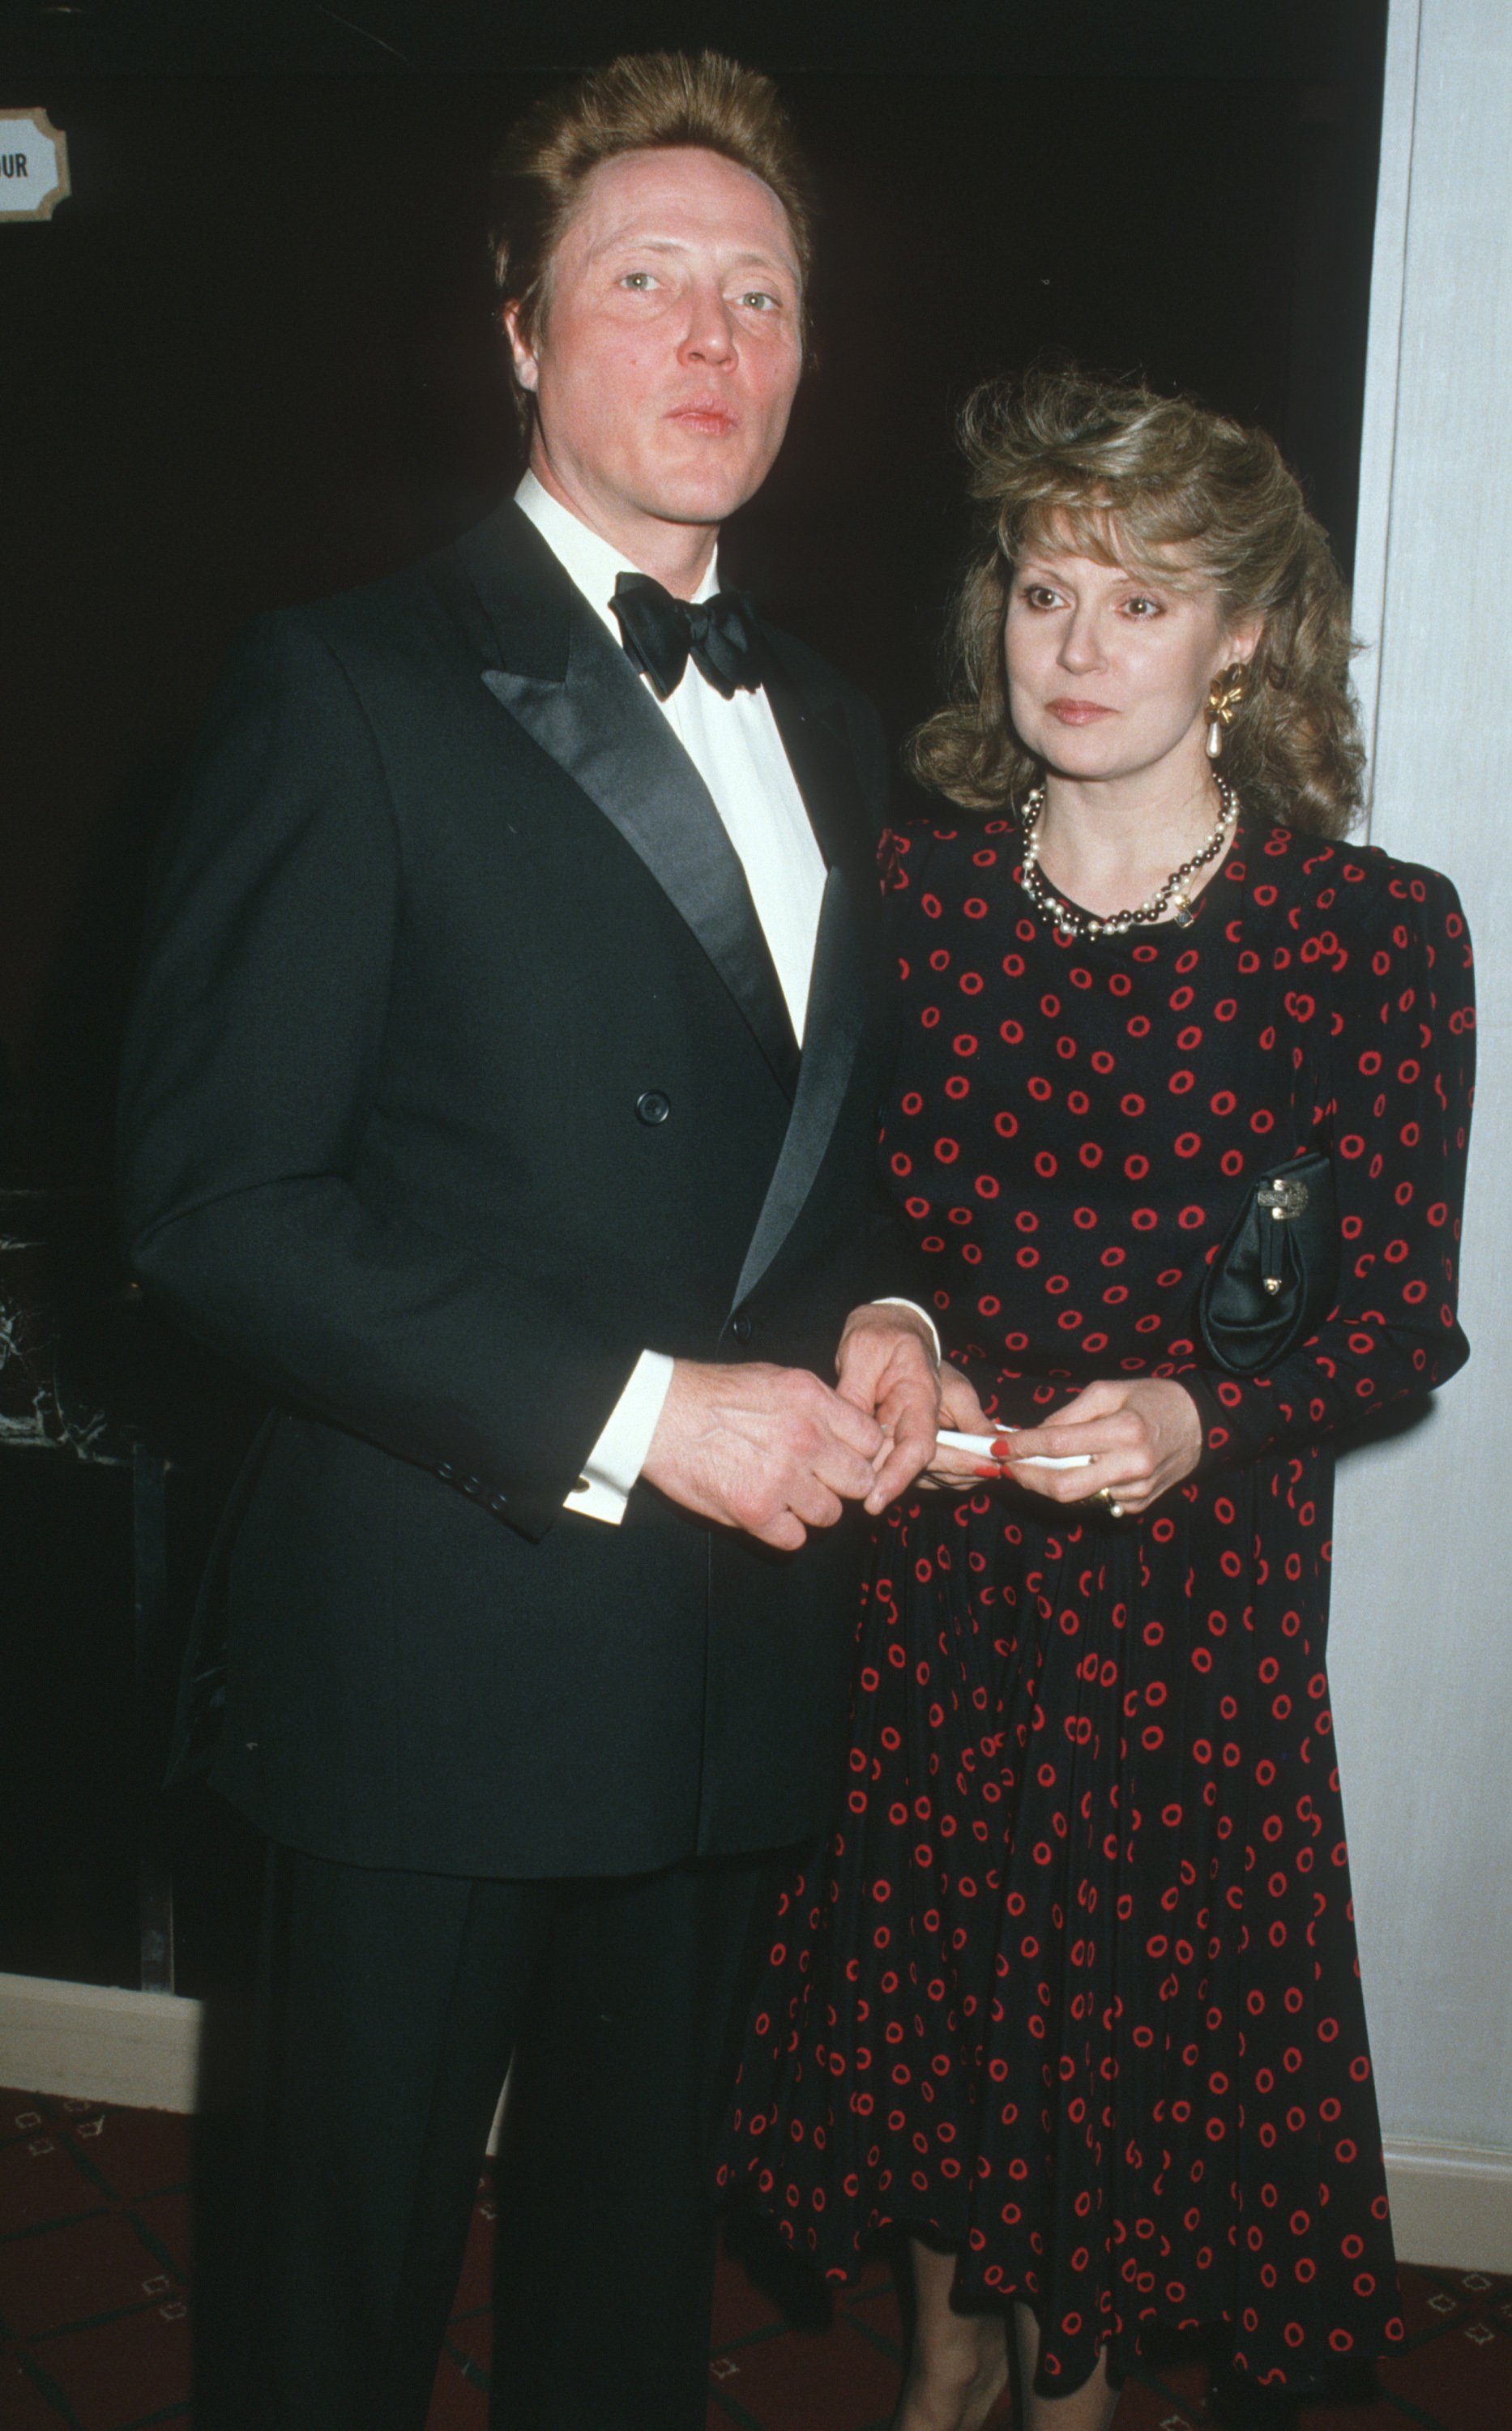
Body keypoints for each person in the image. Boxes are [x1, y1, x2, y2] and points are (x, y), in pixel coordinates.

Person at [117, 51, 941, 2431]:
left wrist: (887, 1308)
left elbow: (825, 1162)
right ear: (517, 333)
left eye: (758, 292)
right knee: (333, 2312)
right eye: (644, 282)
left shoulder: (848, 729)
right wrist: (638, 1414)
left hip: (732, 1659)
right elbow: (212, 1207)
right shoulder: (342, 687)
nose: (711, 341)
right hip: (434, 1650)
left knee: (624, 2298)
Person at [721, 367, 1476, 2431]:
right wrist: (889, 1313)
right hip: (939, 1573)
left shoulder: (1371, 933)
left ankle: (1070, 2385)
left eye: (1141, 603)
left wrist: (1202, 1417)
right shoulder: (917, 900)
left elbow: (1400, 1314)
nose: (1076, 648)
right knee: (954, 2011)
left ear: (1246, 635)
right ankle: (949, 2353)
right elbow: (833, 1205)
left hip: (1196, 1607)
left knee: (1119, 2031)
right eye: (1045, 590)